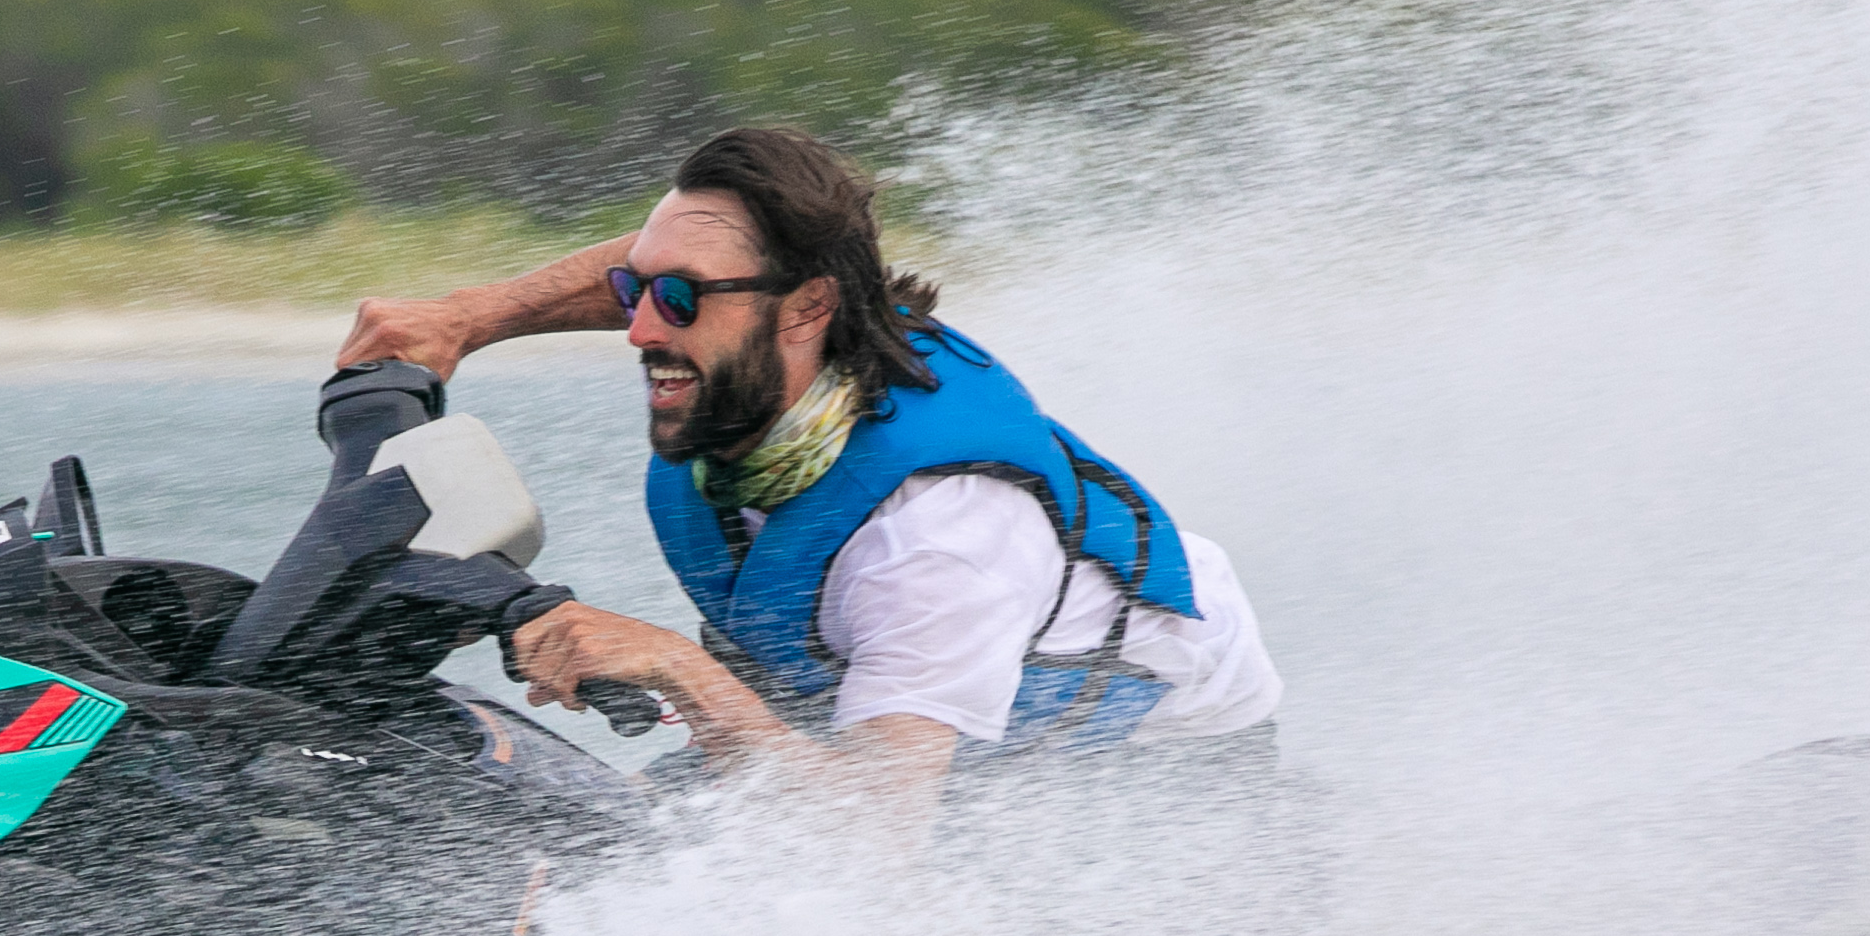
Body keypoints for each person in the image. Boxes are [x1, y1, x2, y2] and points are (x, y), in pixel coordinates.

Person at [338, 126, 1279, 816]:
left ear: (805, 309)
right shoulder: (779, 358)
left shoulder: (937, 541)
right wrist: (471, 317)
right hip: (891, 727)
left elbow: (873, 836)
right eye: (636, 291)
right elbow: (673, 262)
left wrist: (673, 666)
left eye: (676, 301)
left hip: (1149, 777)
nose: (637, 328)